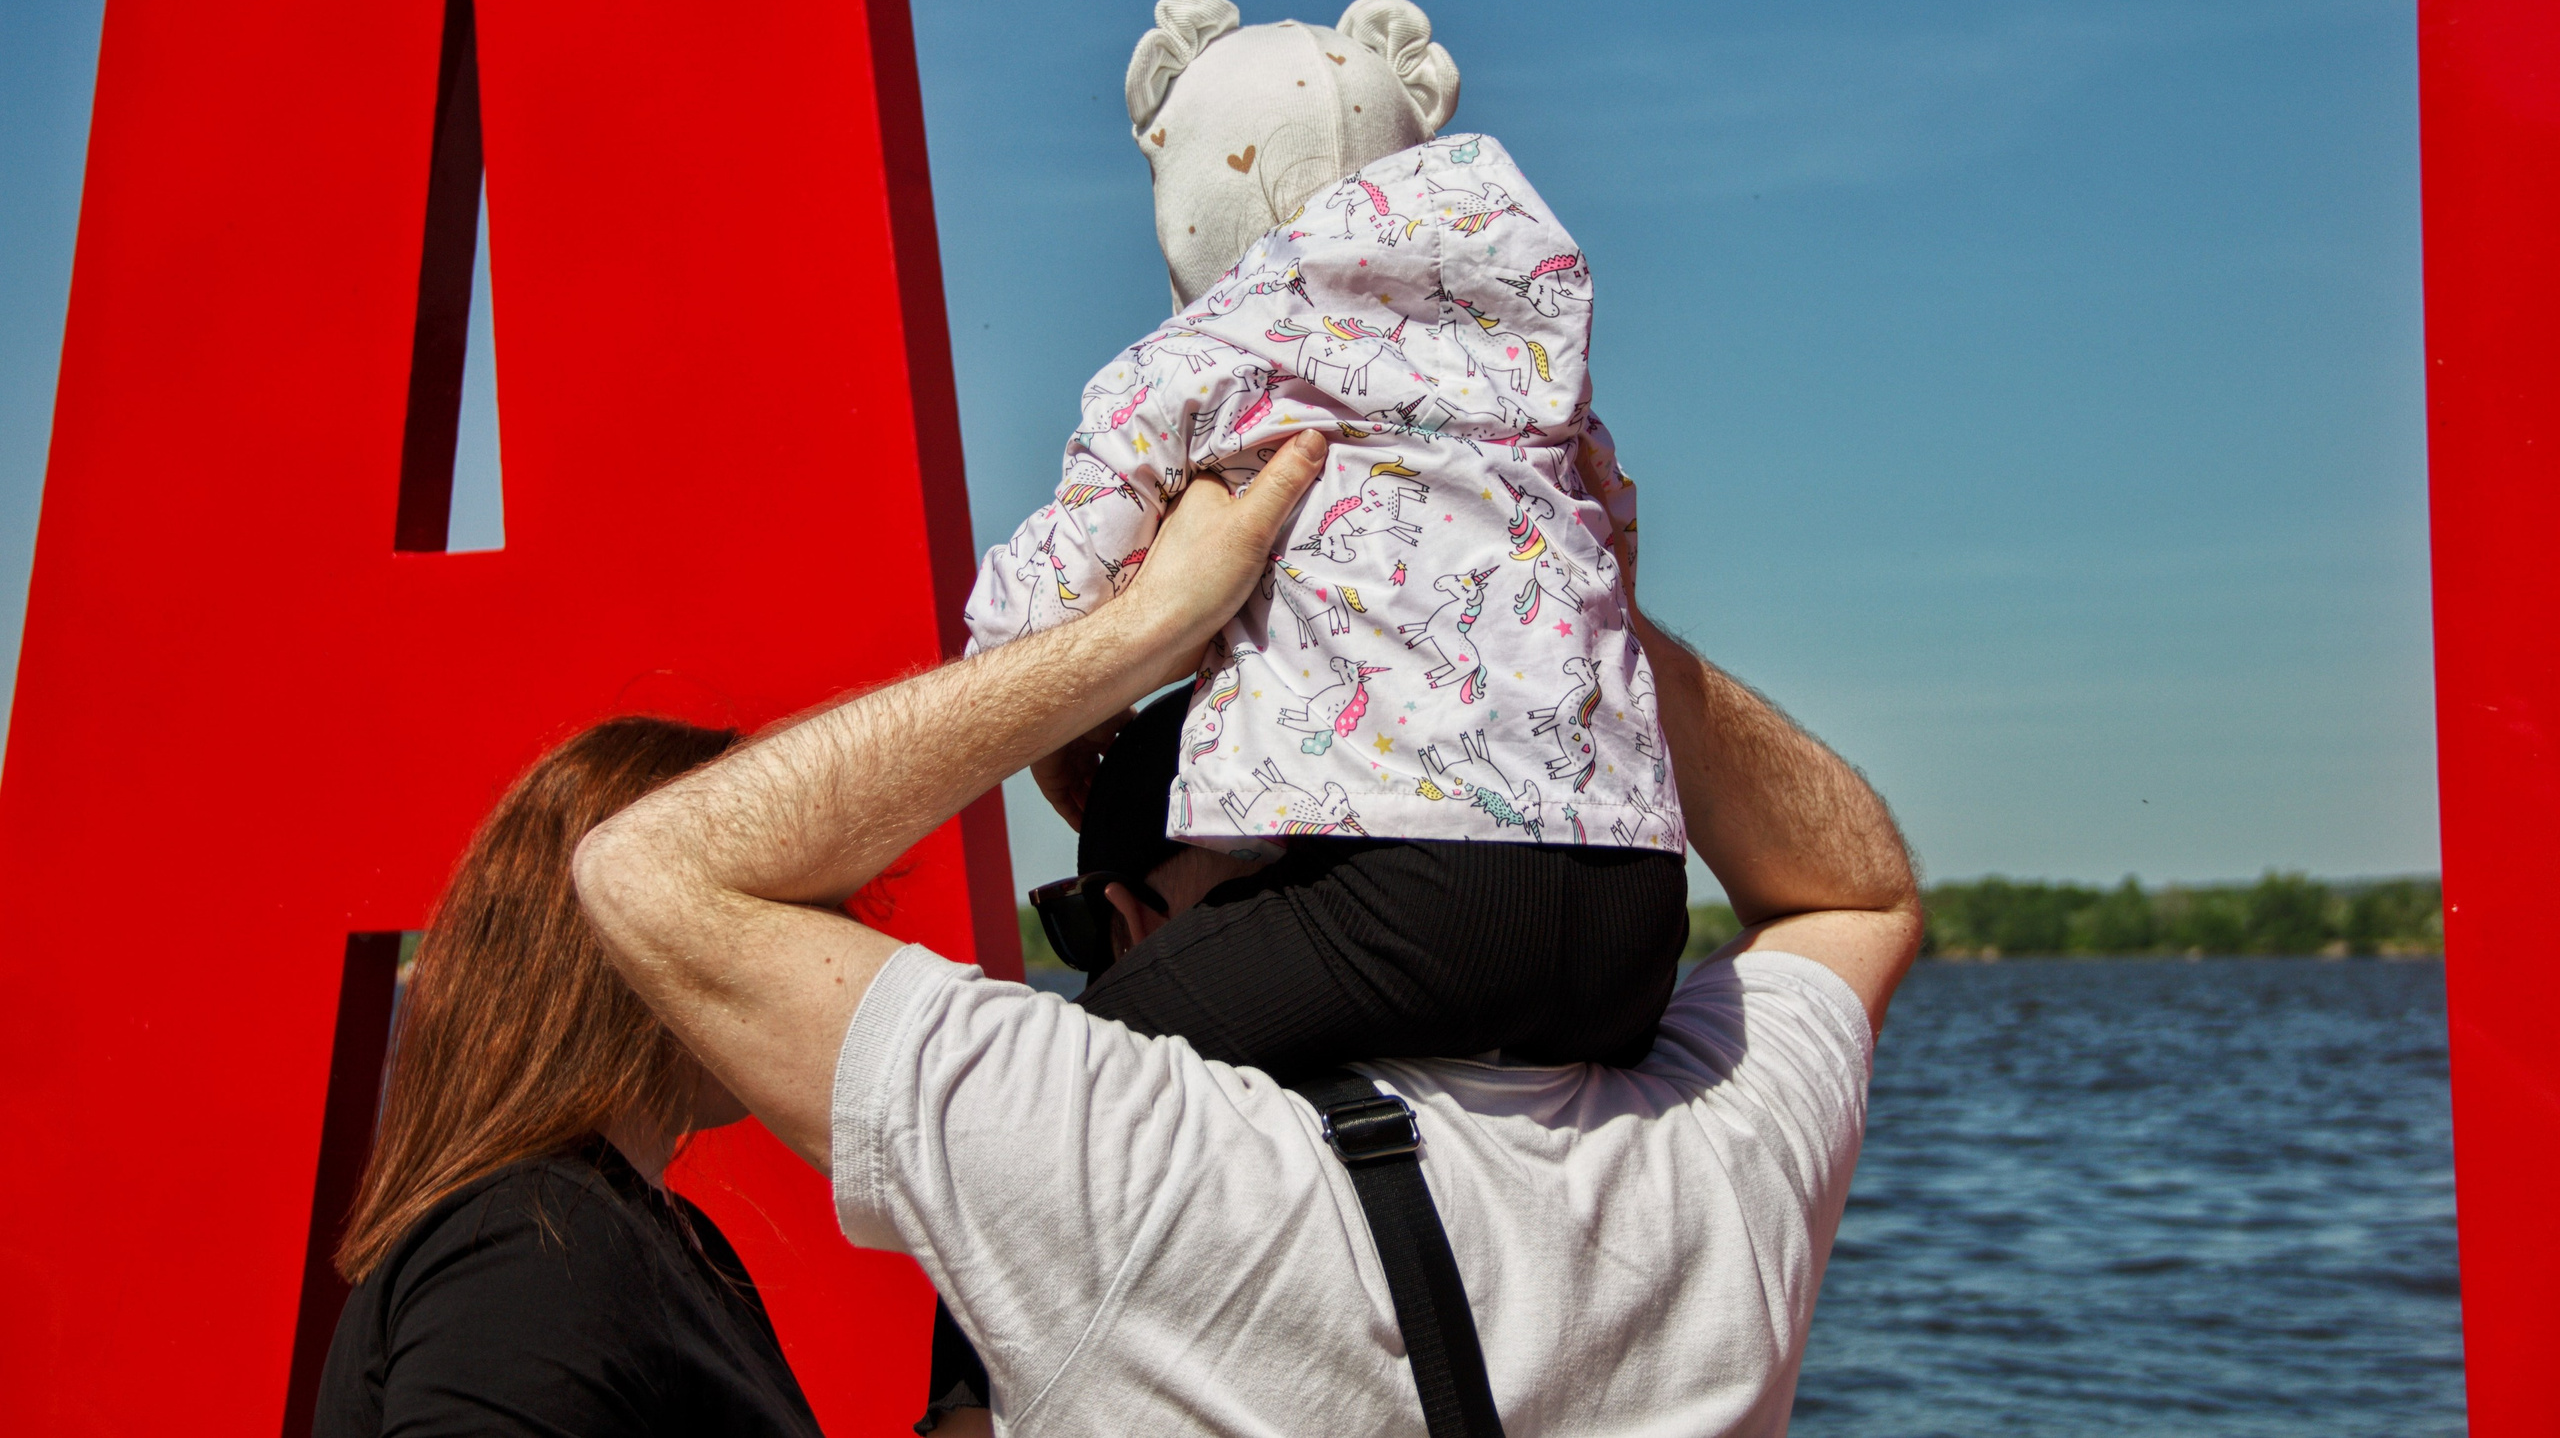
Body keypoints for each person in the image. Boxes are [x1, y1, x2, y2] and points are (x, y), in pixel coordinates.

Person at [576, 434, 1925, 1436]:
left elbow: (653, 871)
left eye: (1100, 905)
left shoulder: (1113, 1156)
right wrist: (1581, 621)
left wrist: (1137, 630)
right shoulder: (1708, 1154)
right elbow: (1852, 893)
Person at [965, 0, 1688, 1086]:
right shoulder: (1520, 353)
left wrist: (1056, 721)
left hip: (1415, 880)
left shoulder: (1205, 354)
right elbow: (1610, 520)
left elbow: (1036, 611)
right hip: (1634, 903)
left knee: (1078, 1088)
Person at [315, 718, 822, 1438]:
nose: (815, 960)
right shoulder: (530, 1249)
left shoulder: (625, 1238)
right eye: (781, 912)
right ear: (635, 944)